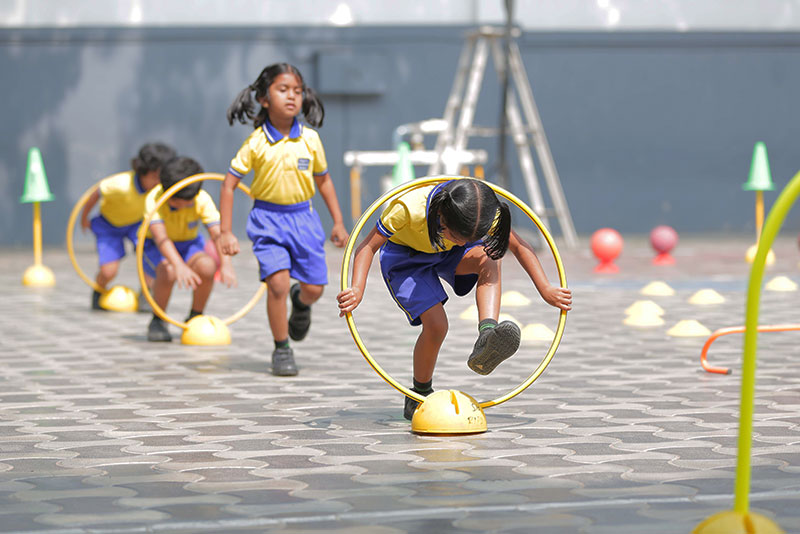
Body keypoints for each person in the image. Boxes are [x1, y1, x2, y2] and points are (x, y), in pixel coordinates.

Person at [336, 178, 572, 420]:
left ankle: (488, 332)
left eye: (470, 238)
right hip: (405, 259)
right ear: (441, 215)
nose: (464, 242)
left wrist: (546, 289)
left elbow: (520, 247)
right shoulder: (407, 208)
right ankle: (419, 392)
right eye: (457, 235)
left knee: (489, 257)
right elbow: (366, 247)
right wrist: (357, 288)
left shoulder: (485, 215)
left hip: (448, 254)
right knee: (437, 326)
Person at [219, 62, 349, 377]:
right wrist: (225, 232)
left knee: (315, 288)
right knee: (276, 283)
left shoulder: (311, 139)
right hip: (267, 220)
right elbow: (229, 184)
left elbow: (324, 181)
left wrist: (338, 222)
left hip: (304, 219)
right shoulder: (256, 142)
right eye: (282, 90)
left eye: (298, 91)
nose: (292, 96)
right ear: (264, 98)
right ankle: (281, 348)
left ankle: (300, 303)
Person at [142, 156, 237, 342]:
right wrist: (178, 265)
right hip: (156, 246)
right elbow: (161, 238)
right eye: (177, 202)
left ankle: (196, 315)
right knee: (168, 271)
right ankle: (158, 319)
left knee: (208, 266)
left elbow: (217, 234)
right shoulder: (154, 199)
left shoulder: (201, 199)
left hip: (189, 244)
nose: (185, 206)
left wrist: (225, 264)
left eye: (189, 202)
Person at [81, 142, 176, 311]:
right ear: (142, 172)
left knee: (149, 255)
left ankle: (147, 294)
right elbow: (94, 194)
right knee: (109, 271)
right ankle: (99, 290)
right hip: (109, 225)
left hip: (137, 225)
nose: (158, 183)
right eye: (155, 177)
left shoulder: (160, 190)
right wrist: (84, 217)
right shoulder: (120, 184)